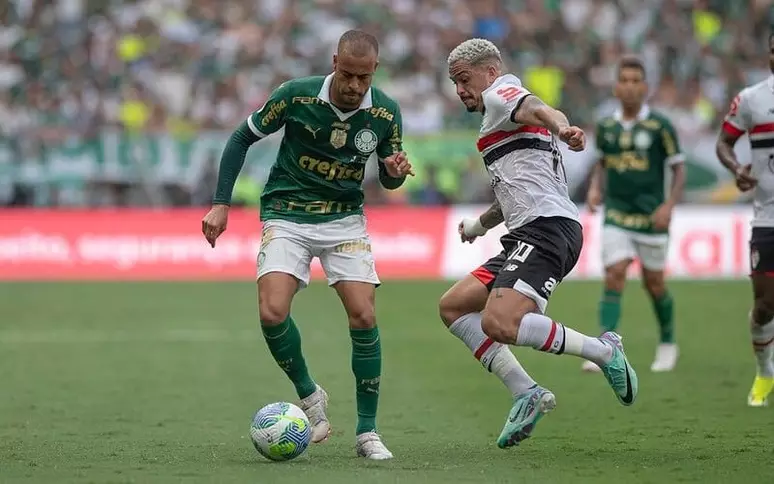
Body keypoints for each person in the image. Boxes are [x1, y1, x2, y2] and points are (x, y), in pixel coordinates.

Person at [201, 30, 413, 459]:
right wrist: (221, 203)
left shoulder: (386, 113)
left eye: (364, 78)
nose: (355, 86)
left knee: (363, 315)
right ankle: (310, 395)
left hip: (344, 221)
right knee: (271, 311)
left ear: (375, 71)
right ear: (334, 61)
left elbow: (389, 179)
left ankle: (367, 432)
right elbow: (241, 137)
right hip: (287, 212)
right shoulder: (295, 96)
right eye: (348, 74)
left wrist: (393, 171)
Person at [438, 38, 638, 449]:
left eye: (463, 79)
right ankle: (526, 392)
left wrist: (561, 127)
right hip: (525, 232)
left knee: (500, 323)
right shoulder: (496, 118)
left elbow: (537, 107)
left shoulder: (500, 92)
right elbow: (513, 190)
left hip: (547, 230)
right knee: (454, 307)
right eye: (454, 82)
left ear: (489, 72)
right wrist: (479, 224)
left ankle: (603, 351)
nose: (460, 89)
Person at [583, 56, 685, 374]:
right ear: (616, 87)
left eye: (635, 80)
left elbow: (678, 168)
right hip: (617, 213)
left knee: (654, 284)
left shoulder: (660, 126)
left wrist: (668, 205)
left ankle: (668, 343)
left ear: (645, 87)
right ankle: (604, 349)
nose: (629, 86)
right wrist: (595, 189)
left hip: (651, 216)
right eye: (623, 80)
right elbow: (602, 161)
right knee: (614, 274)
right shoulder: (607, 126)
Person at [715, 33, 774, 408]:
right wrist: (737, 168)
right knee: (766, 307)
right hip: (767, 218)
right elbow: (724, 142)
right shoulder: (752, 99)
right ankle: (765, 373)